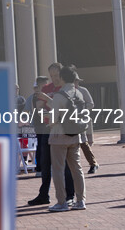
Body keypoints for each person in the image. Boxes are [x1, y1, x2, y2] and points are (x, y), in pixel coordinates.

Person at [38, 65, 86, 211]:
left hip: (59, 135)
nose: (56, 79)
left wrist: (47, 118)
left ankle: (62, 202)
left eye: (58, 76)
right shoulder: (78, 93)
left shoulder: (60, 94)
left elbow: (53, 118)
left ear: (63, 77)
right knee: (77, 168)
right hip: (74, 135)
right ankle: (80, 200)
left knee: (58, 170)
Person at [27, 63, 75, 206]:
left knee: (65, 164)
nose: (53, 78)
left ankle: (69, 195)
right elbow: (39, 107)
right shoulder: (47, 88)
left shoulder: (66, 88)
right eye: (51, 75)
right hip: (47, 128)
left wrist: (48, 101)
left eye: (56, 75)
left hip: (62, 129)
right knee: (45, 162)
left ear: (62, 74)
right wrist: (44, 108)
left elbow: (65, 108)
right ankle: (43, 194)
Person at [24, 76, 49, 174]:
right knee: (43, 146)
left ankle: (40, 168)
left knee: (41, 146)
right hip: (41, 124)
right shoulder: (36, 97)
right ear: (38, 86)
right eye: (44, 85)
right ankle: (41, 168)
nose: (46, 87)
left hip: (39, 124)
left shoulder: (34, 97)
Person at [74, 73, 99, 174]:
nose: (75, 82)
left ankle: (93, 163)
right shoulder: (66, 91)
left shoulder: (83, 90)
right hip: (69, 120)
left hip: (81, 119)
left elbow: (91, 104)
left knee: (83, 142)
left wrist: (81, 109)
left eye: (76, 81)